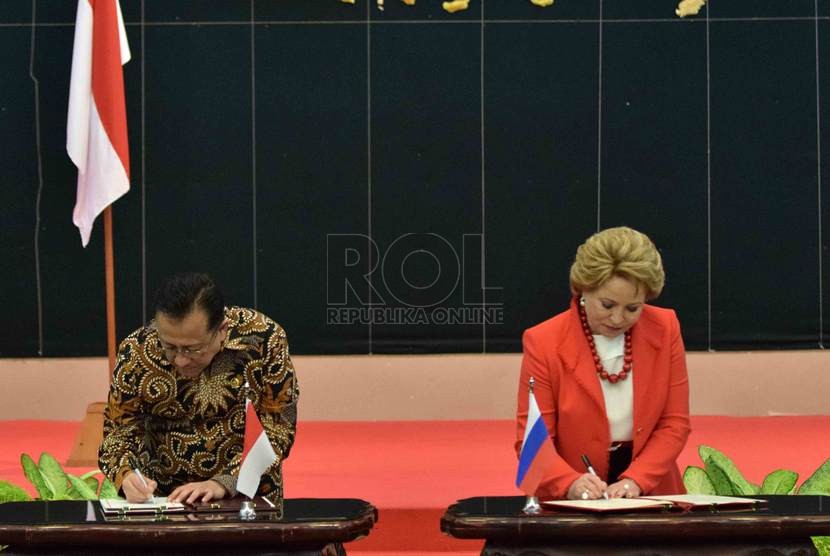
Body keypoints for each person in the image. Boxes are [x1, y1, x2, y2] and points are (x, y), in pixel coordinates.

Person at [515, 227, 690, 500]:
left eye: (633, 308)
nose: (618, 318)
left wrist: (637, 480)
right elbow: (533, 441)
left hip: (653, 490)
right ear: (584, 289)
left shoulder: (666, 328)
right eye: (607, 305)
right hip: (571, 497)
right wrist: (570, 483)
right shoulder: (543, 341)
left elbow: (674, 423)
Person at [99, 272, 299, 509]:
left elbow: (278, 429)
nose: (181, 360)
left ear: (222, 330)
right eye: (169, 347)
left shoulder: (264, 340)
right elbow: (118, 430)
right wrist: (126, 475)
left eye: (193, 349)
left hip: (248, 496)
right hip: (163, 500)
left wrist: (224, 482)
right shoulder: (137, 350)